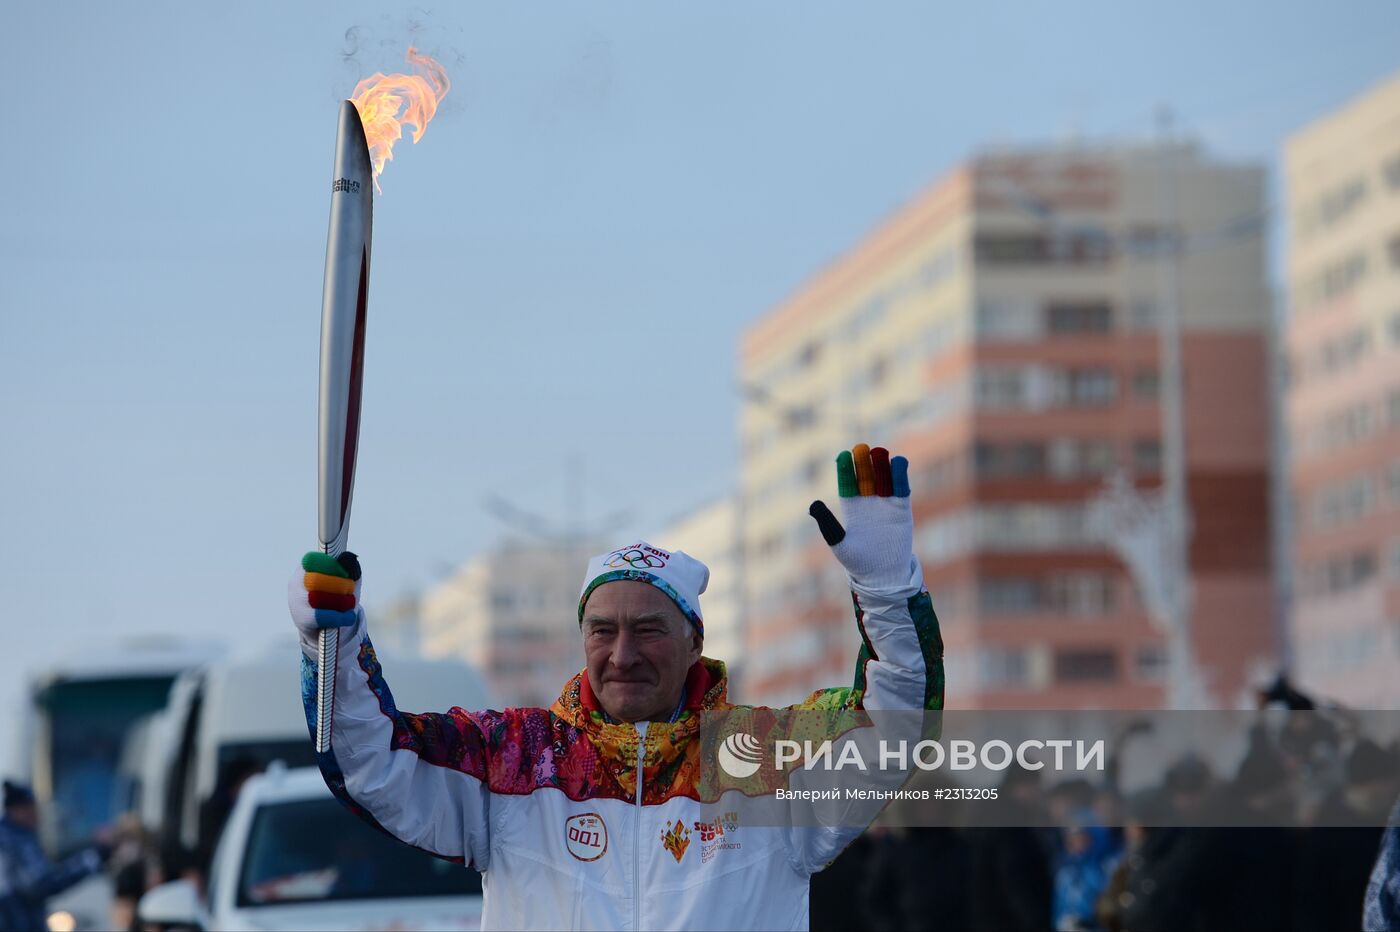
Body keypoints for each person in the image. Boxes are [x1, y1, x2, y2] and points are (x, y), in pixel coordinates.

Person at [289, 444, 945, 930]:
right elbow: (372, 762)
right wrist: (332, 645)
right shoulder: (516, 759)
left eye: (649, 629)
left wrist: (887, 589)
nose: (622, 654)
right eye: (603, 630)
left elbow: (891, 732)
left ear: (694, 641)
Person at [0, 781, 109, 932]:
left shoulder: (13, 837)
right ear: (17, 810)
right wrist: (89, 861)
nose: (38, 814)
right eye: (32, 808)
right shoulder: (15, 841)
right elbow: (40, 882)